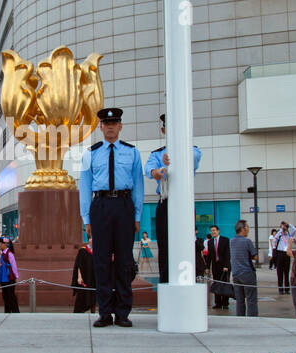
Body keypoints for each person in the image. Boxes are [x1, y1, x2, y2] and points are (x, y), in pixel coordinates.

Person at [79, 107, 144, 327]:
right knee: (101, 261)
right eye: (106, 124)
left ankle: (123, 312)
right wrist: (86, 220)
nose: (110, 127)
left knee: (125, 261)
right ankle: (105, 312)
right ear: (101, 127)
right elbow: (85, 187)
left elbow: (138, 186)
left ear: (120, 126)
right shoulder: (90, 153)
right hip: (101, 206)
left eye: (114, 123)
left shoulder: (132, 152)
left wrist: (137, 215)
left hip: (124, 205)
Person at [144, 112, 202, 283]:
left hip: (183, 204)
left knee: (185, 244)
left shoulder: (193, 150)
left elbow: (194, 157)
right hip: (166, 203)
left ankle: (186, 280)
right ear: (163, 130)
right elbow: (150, 170)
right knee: (165, 246)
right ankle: (166, 281)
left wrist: (177, 153)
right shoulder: (157, 155)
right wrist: (159, 170)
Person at [230, 219, 258, 316]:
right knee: (251, 300)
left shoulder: (232, 241)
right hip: (247, 273)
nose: (248, 229)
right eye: (247, 227)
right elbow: (255, 256)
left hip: (236, 274)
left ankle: (240, 319)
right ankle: (252, 320)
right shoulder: (247, 241)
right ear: (243, 229)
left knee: (240, 300)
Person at [203, 225, 232, 310]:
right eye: (211, 231)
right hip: (215, 266)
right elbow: (209, 256)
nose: (213, 232)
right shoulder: (210, 242)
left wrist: (226, 265)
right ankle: (218, 303)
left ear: (218, 231)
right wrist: (207, 267)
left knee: (224, 284)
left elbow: (227, 253)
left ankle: (225, 303)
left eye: (214, 230)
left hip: (224, 266)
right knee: (216, 284)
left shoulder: (225, 240)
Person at [0, 237, 19, 312]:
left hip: (9, 278)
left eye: (0, 243)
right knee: (5, 295)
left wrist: (16, 276)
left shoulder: (9, 253)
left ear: (4, 244)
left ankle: (15, 311)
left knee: (11, 295)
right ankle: (7, 311)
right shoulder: (2, 253)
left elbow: (14, 266)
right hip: (3, 278)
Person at [272, 221, 296, 295]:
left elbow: (295, 230)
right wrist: (281, 230)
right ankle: (280, 289)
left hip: (287, 254)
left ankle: (287, 288)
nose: (284, 228)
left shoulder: (289, 235)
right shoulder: (279, 235)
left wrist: (289, 224)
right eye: (283, 227)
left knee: (286, 272)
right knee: (279, 272)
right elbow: (275, 239)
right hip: (280, 253)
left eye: (285, 227)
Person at [71, 240, 95, 312]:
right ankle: (78, 312)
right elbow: (78, 265)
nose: (92, 240)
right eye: (91, 238)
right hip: (84, 278)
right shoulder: (83, 250)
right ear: (88, 240)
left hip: (93, 278)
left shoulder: (98, 251)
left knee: (93, 296)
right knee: (82, 296)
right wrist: (79, 277)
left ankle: (93, 312)